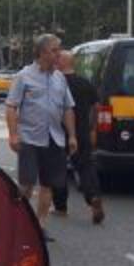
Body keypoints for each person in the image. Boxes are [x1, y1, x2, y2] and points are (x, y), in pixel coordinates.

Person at [5, 34, 77, 238]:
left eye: (59, 49)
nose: (59, 54)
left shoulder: (59, 77)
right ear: (42, 52)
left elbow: (68, 108)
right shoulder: (24, 76)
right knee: (26, 185)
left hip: (55, 139)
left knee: (48, 184)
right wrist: (13, 135)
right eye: (55, 50)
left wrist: (72, 136)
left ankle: (39, 226)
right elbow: (11, 107)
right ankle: (16, 221)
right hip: (30, 138)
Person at [52, 50, 105, 224]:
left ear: (61, 63)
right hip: (82, 132)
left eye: (56, 59)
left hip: (58, 132)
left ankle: (60, 207)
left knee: (58, 168)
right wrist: (92, 127)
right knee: (85, 166)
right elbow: (97, 107)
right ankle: (93, 196)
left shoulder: (54, 83)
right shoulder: (85, 83)